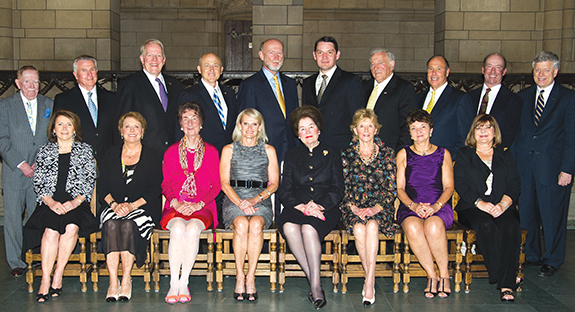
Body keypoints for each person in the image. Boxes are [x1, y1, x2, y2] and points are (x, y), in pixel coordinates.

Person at [23, 109, 97, 302]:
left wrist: (73, 202)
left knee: (71, 227)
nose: (64, 128)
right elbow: (38, 182)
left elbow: (89, 181)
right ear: (53, 129)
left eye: (69, 124)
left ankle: (58, 274)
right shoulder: (44, 151)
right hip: (50, 203)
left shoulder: (85, 150)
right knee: (51, 230)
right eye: (60, 124)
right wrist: (52, 202)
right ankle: (45, 280)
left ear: (75, 129)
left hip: (76, 203)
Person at [512, 51, 575, 277]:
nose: (540, 74)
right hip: (525, 166)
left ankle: (553, 258)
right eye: (537, 70)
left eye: (546, 70)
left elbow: (572, 137)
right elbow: (518, 132)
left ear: (555, 72)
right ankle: (531, 254)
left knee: (552, 215)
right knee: (526, 211)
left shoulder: (568, 98)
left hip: (554, 168)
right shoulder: (523, 96)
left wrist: (567, 169)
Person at [277, 105, 344, 309]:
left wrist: (320, 206)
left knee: (308, 228)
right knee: (289, 226)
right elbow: (284, 190)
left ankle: (315, 286)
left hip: (326, 207)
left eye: (311, 127)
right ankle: (314, 280)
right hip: (298, 207)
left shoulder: (332, 153)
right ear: (297, 134)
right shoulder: (291, 156)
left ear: (319, 129)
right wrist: (302, 207)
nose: (307, 132)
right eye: (302, 128)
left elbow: (338, 188)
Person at [454, 114, 521, 302]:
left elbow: (515, 184)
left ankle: (506, 285)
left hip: (502, 205)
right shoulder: (464, 154)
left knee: (510, 226)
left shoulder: (505, 154)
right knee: (485, 226)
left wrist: (503, 204)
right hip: (472, 206)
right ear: (473, 132)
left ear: (494, 132)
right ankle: (505, 277)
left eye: (488, 127)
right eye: (479, 128)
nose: (483, 131)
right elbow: (461, 184)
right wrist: (480, 204)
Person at [98, 112, 163, 302]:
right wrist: (114, 205)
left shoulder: (152, 156)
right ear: (121, 131)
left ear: (143, 131)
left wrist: (133, 206)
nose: (132, 131)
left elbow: (155, 188)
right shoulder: (110, 154)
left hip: (142, 208)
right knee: (111, 224)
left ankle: (126, 278)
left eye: (136, 127)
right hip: (113, 206)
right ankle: (112, 281)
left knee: (126, 225)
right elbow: (102, 186)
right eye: (127, 126)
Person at [160, 102, 221, 304]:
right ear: (180, 124)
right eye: (185, 118)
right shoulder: (171, 152)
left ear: (201, 123)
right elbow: (165, 184)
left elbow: (216, 186)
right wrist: (176, 203)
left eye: (194, 118)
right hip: (175, 206)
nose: (190, 122)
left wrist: (198, 204)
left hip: (202, 207)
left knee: (193, 229)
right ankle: (173, 283)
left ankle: (183, 282)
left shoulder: (211, 152)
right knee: (178, 228)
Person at [340, 109, 399, 306]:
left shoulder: (387, 153)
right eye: (361, 126)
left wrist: (376, 208)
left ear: (376, 129)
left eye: (370, 126)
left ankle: (369, 282)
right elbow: (342, 187)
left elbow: (391, 188)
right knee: (358, 227)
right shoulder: (346, 155)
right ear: (355, 130)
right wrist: (354, 208)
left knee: (372, 226)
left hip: (381, 208)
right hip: (354, 207)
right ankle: (370, 278)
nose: (366, 130)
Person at [220, 109, 279, 302]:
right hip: (234, 199)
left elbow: (274, 183)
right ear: (239, 125)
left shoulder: (269, 150)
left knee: (255, 224)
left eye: (254, 124)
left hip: (260, 200)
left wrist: (254, 201)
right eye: (246, 123)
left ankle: (251, 277)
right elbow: (224, 184)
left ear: (260, 127)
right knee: (242, 224)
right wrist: (241, 203)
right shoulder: (229, 149)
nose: (250, 128)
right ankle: (239, 276)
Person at [0, 66, 53, 277]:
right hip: (14, 171)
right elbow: (1, 139)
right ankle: (16, 262)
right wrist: (21, 163)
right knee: (13, 219)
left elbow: (52, 136)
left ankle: (38, 256)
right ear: (18, 83)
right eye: (28, 81)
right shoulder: (5, 106)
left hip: (39, 171)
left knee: (37, 216)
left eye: (36, 82)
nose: (32, 86)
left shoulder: (49, 104)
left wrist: (40, 163)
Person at [396, 109, 454, 299]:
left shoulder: (443, 154)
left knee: (433, 225)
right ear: (410, 133)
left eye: (423, 127)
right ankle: (432, 275)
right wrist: (413, 206)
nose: (419, 131)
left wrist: (435, 207)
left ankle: (445, 274)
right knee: (413, 227)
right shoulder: (403, 154)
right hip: (410, 206)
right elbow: (400, 189)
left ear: (431, 130)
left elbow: (449, 187)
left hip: (439, 205)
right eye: (414, 128)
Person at [237, 38, 298, 164]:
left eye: (279, 53)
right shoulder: (250, 85)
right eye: (271, 52)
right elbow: (245, 121)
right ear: (261, 55)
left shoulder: (291, 84)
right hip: (262, 152)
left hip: (290, 151)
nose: (276, 57)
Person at [116, 39, 183, 154]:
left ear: (164, 60)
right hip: (144, 153)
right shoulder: (130, 84)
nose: (154, 60)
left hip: (173, 153)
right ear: (142, 59)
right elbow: (122, 121)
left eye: (158, 56)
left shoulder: (176, 85)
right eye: (150, 55)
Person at [302, 36, 365, 151]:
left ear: (337, 55)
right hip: (314, 148)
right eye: (320, 52)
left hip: (341, 149)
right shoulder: (307, 83)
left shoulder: (350, 81)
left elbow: (358, 118)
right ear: (314, 55)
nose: (324, 57)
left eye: (329, 52)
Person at [54, 55, 116, 164]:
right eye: (84, 70)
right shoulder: (64, 100)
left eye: (92, 69)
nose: (89, 74)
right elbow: (58, 135)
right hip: (77, 163)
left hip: (108, 162)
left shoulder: (112, 98)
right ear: (75, 75)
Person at [177, 53, 236, 154]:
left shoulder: (229, 93)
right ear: (199, 69)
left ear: (221, 69)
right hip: (202, 155)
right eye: (207, 65)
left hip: (228, 154)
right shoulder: (189, 95)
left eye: (215, 65)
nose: (212, 69)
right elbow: (181, 129)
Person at [416, 55, 474, 158]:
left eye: (439, 69)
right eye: (431, 69)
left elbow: (465, 138)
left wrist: (446, 160)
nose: (434, 73)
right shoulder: (417, 98)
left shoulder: (460, 98)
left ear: (447, 72)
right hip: (417, 160)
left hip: (444, 163)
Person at [363, 49, 416, 151]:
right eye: (372, 64)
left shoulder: (404, 88)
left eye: (380, 63)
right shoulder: (363, 87)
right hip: (363, 151)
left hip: (389, 152)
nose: (376, 68)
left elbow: (407, 125)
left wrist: (400, 153)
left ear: (391, 65)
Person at [467, 53, 522, 149]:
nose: (493, 71)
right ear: (483, 70)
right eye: (489, 66)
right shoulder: (469, 97)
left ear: (504, 72)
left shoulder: (514, 100)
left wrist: (486, 152)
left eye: (498, 67)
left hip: (496, 156)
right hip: (468, 154)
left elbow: (509, 133)